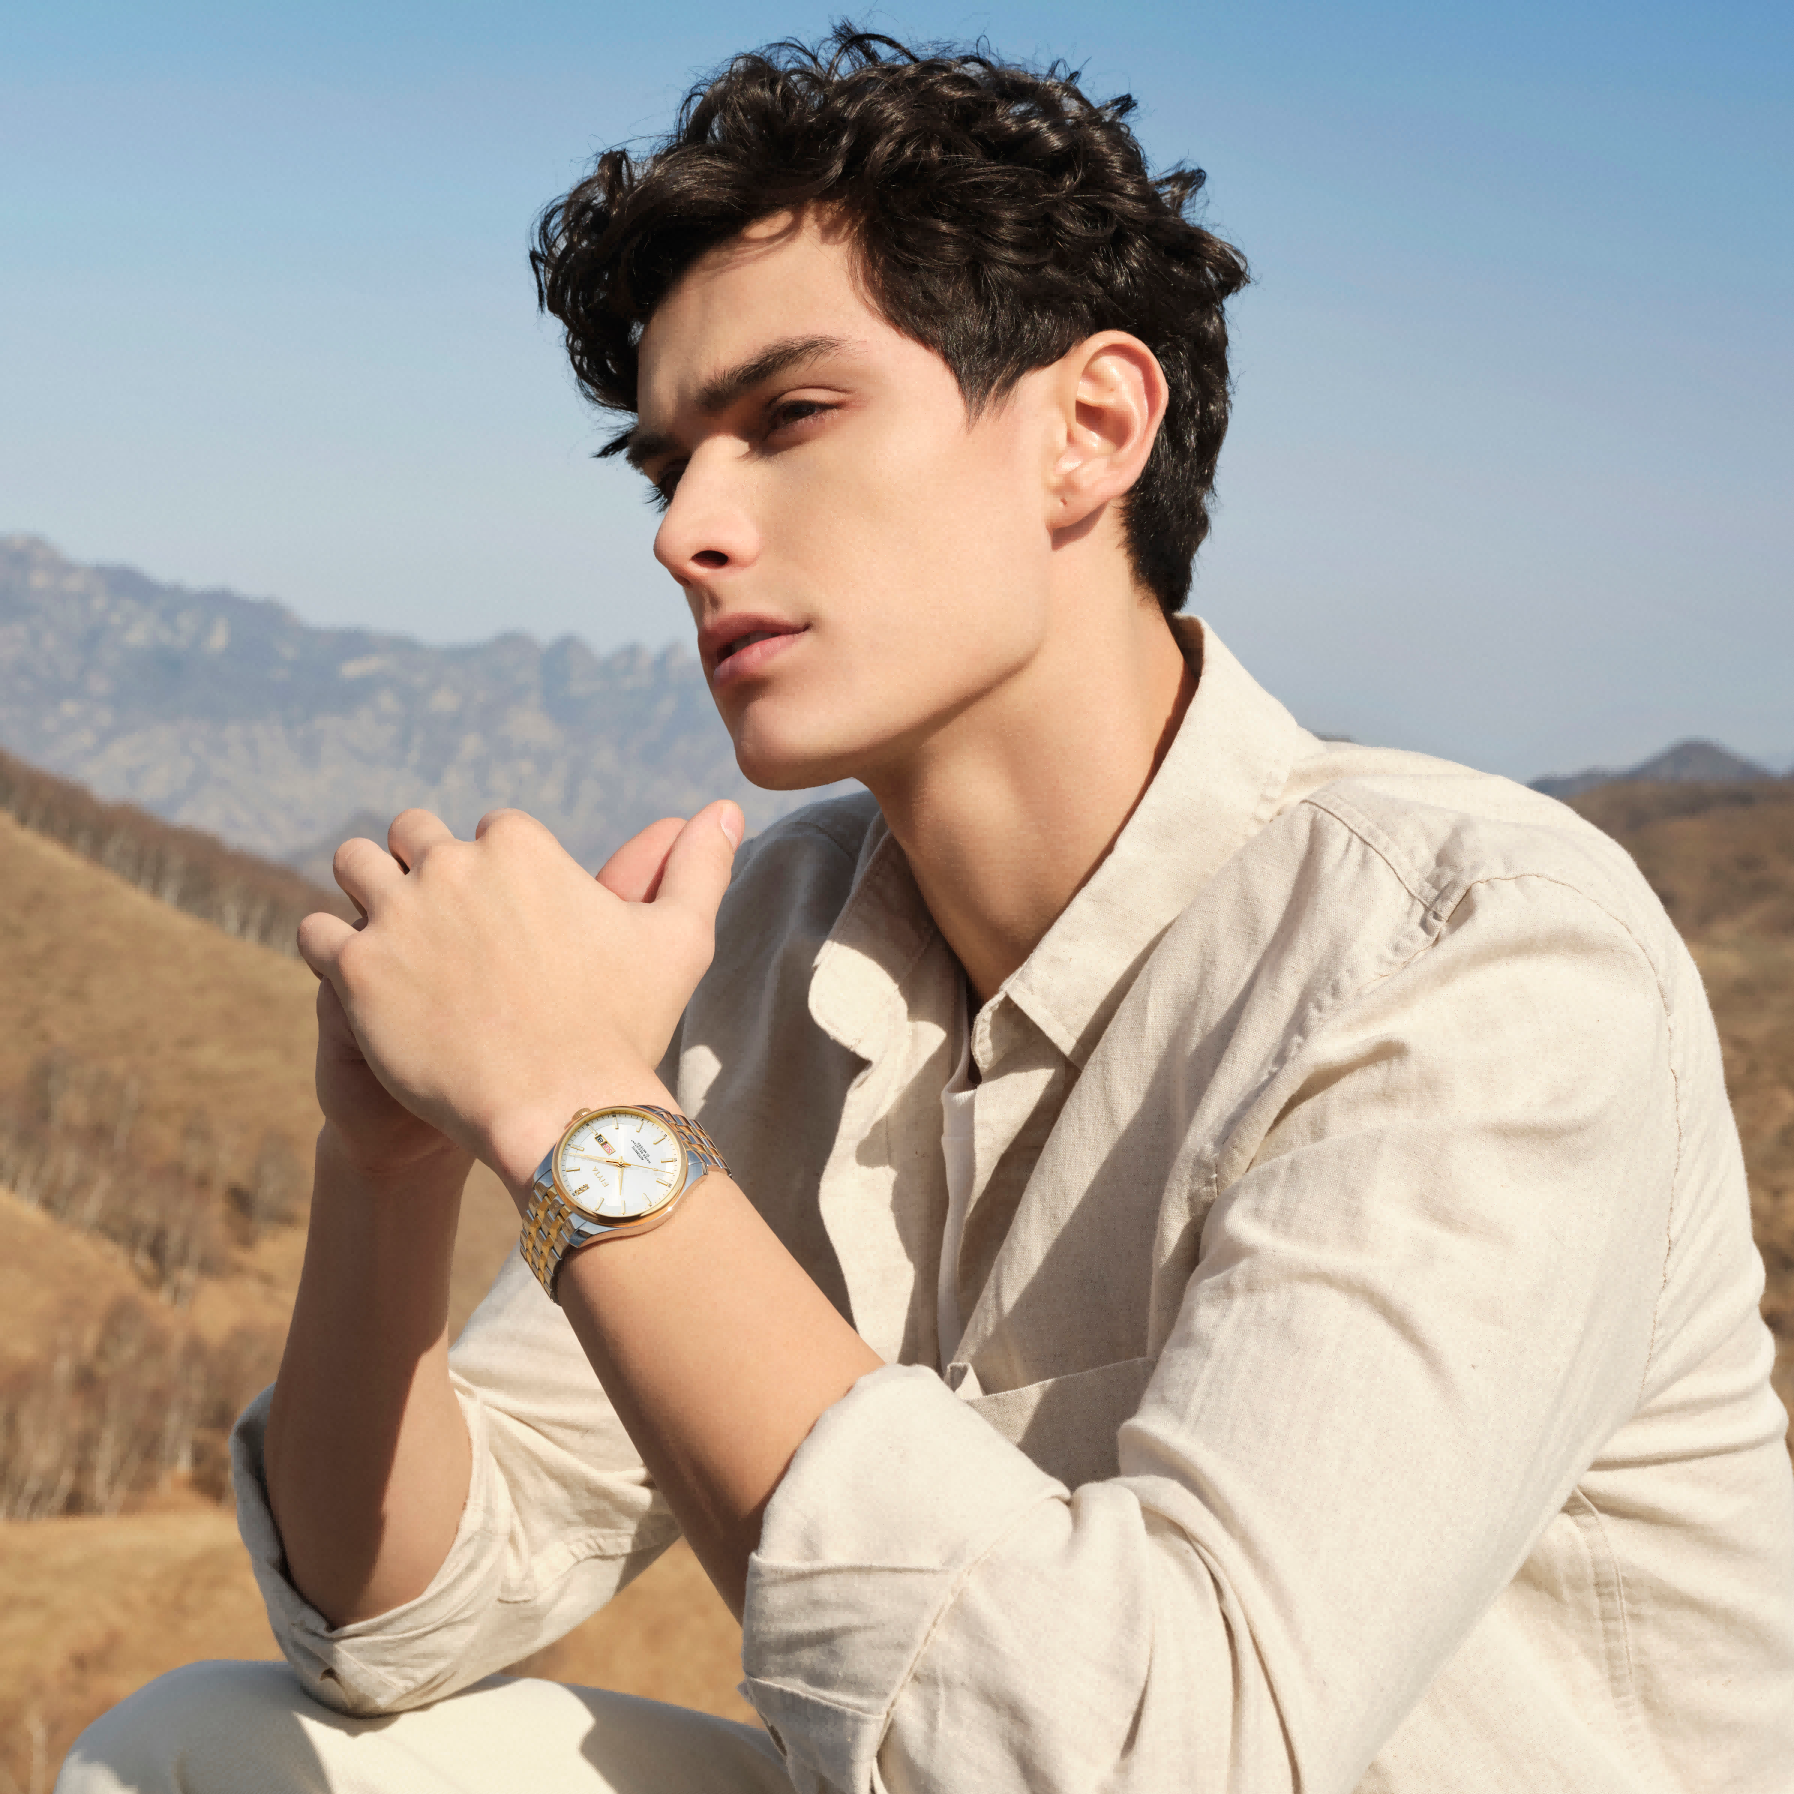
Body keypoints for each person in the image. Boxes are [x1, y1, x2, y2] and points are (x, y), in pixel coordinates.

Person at [62, 27, 1793, 1794]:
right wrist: (390, 1163)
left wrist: (573, 1108)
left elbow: (1158, 1757)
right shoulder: (778, 944)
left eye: (789, 418)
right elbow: (387, 1620)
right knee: (198, 1754)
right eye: (668, 467)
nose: (686, 531)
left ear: (1089, 430)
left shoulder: (1471, 953)